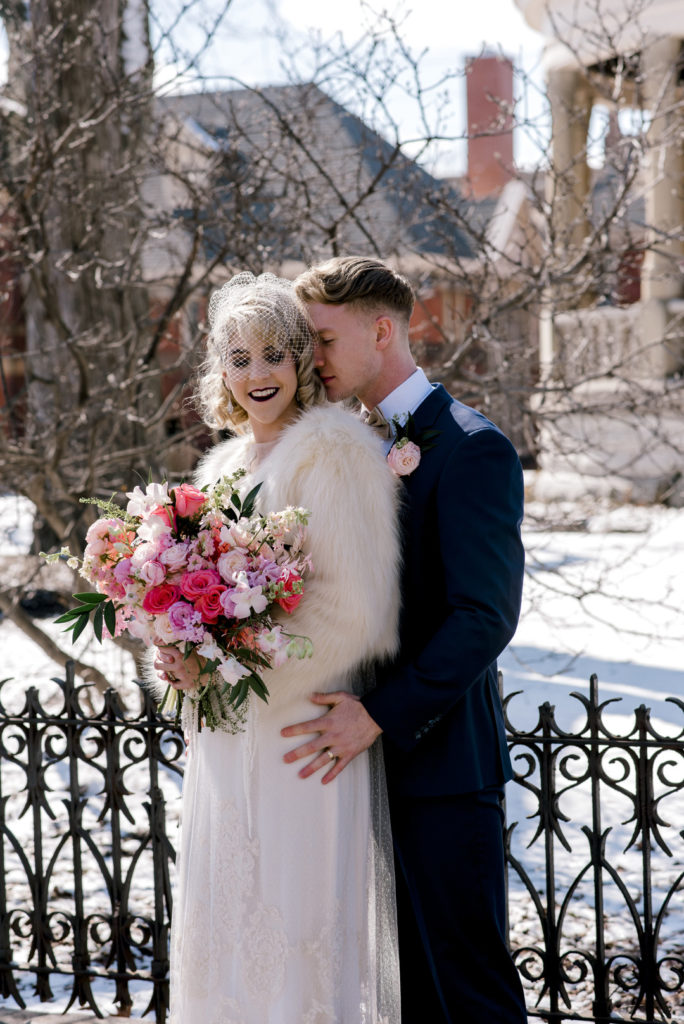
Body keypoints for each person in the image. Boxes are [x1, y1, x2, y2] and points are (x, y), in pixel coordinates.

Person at [152, 271, 402, 1024]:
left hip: (300, 735)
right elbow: (186, 600)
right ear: (220, 371)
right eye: (239, 357)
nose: (257, 374)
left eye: (274, 355)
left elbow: (353, 613)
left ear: (299, 362)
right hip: (226, 744)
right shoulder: (220, 470)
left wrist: (233, 673)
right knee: (224, 935)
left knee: (290, 937)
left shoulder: (332, 450)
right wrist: (176, 653)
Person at [283, 256, 528, 1024]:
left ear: (383, 329)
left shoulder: (470, 448)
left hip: (444, 766)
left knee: (468, 990)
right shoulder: (343, 449)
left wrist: (380, 713)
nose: (309, 359)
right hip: (362, 775)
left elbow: (483, 617)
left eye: (322, 340)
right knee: (406, 996)